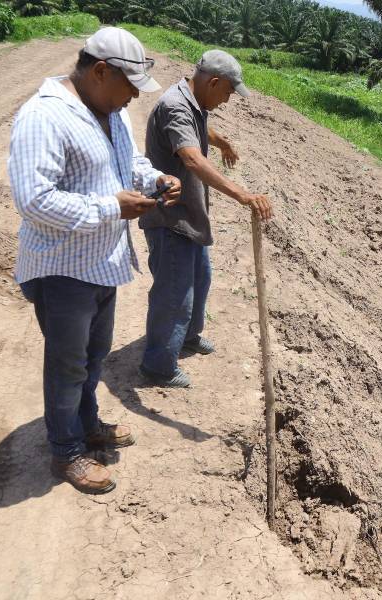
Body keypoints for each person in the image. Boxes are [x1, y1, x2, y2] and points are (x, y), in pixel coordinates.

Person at [8, 27, 181, 494]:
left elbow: (128, 164)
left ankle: (87, 424)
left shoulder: (110, 112)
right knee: (67, 365)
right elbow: (34, 200)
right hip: (62, 269)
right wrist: (111, 207)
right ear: (101, 71)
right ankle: (66, 451)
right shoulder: (44, 116)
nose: (133, 98)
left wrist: (155, 179)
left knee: (92, 357)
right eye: (129, 87)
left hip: (102, 262)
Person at [139, 50, 272, 388]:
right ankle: (158, 366)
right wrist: (242, 194)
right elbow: (192, 159)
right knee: (175, 294)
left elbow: (198, 129)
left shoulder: (194, 103)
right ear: (213, 82)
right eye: (227, 92)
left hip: (189, 215)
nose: (227, 100)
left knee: (200, 279)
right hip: (170, 218)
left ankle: (186, 336)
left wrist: (221, 140)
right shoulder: (175, 106)